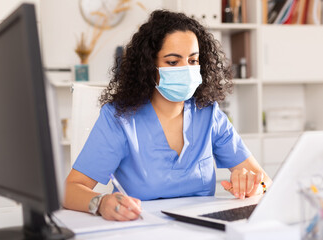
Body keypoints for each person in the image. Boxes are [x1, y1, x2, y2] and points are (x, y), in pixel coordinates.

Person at [63, 9, 272, 221]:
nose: (185, 69)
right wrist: (100, 203)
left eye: (192, 61)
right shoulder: (120, 118)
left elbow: (266, 182)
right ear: (148, 66)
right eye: (173, 62)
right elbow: (70, 190)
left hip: (201, 231)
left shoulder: (208, 114)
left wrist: (254, 186)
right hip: (143, 229)